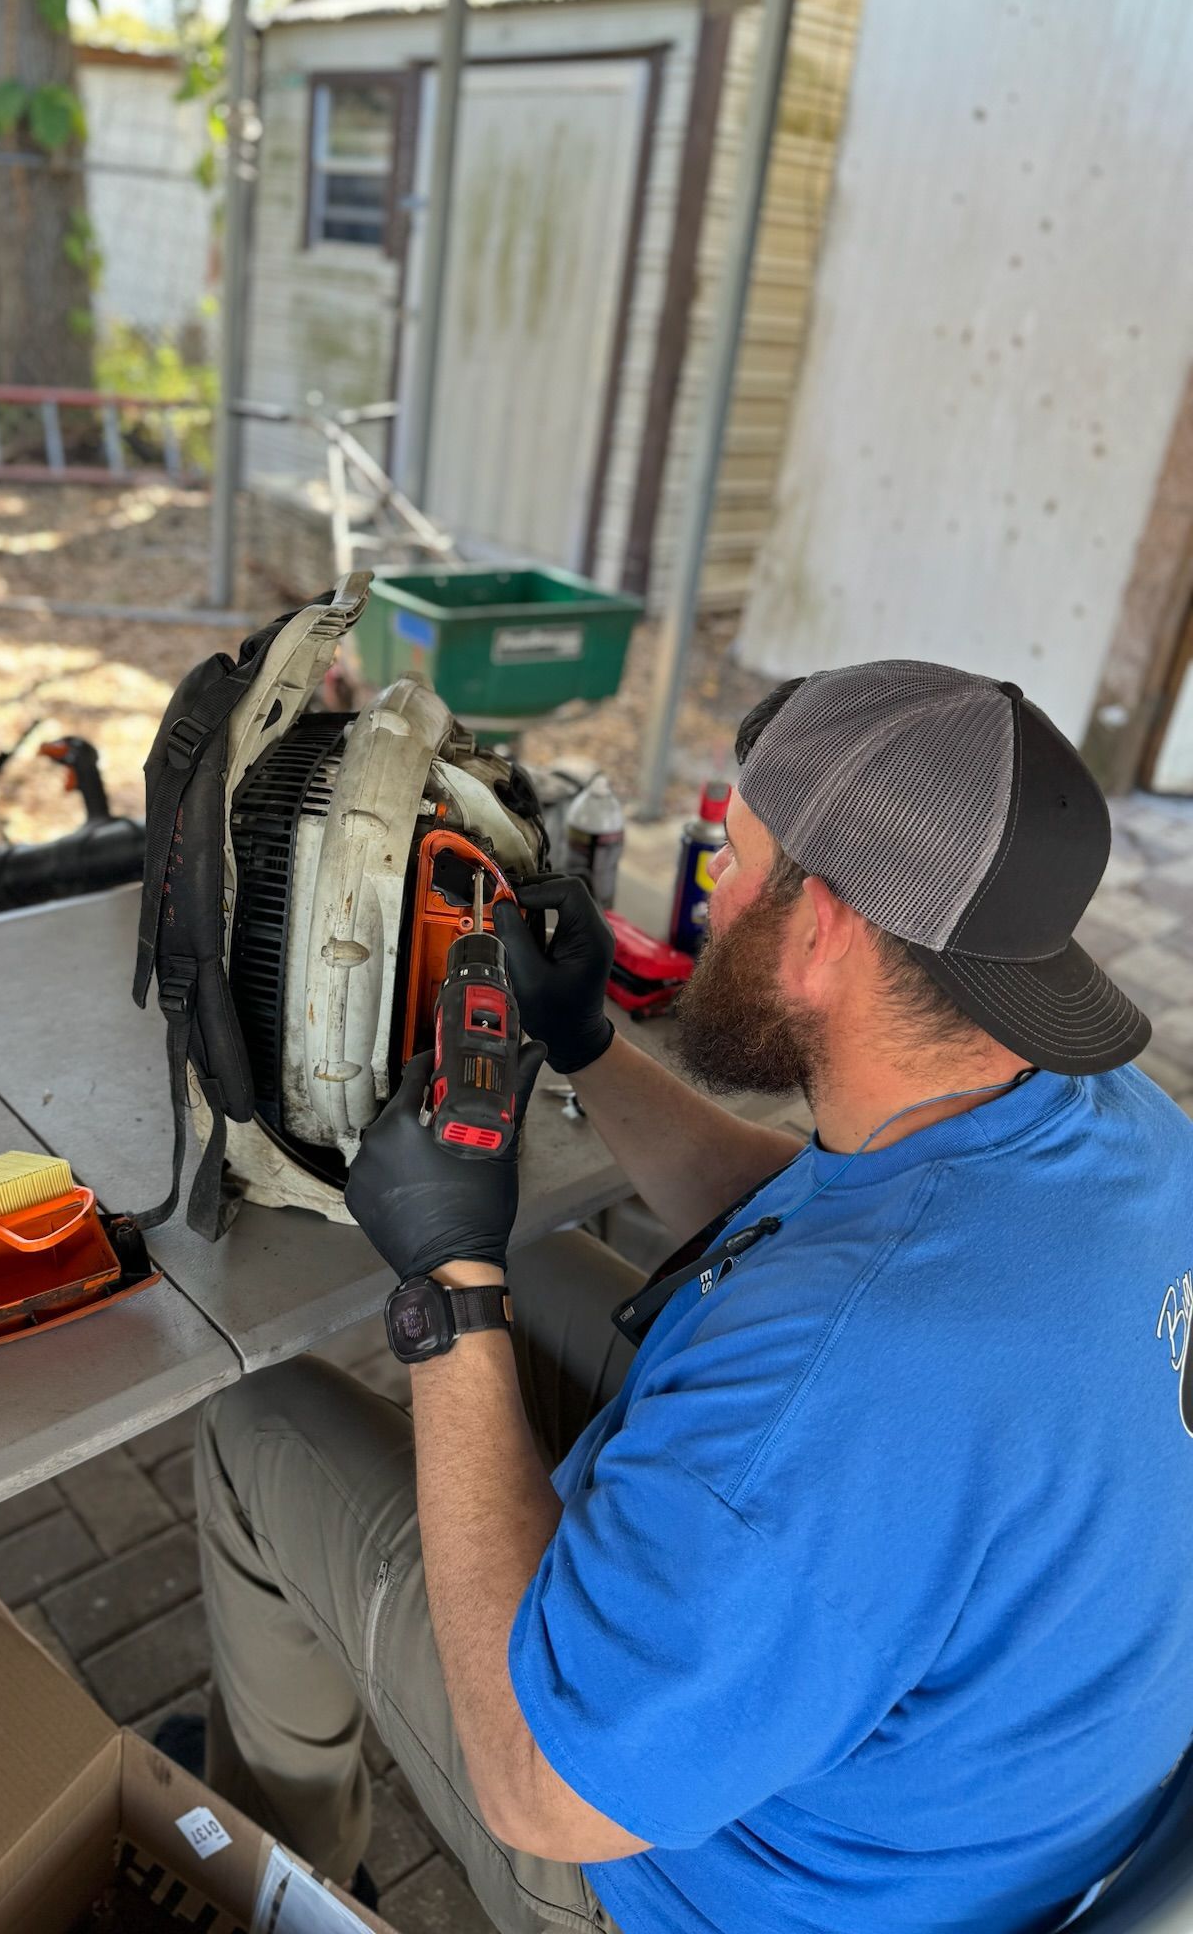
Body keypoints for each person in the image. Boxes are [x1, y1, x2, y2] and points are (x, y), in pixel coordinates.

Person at [187, 659, 1193, 1934]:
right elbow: (827, 1218)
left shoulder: (841, 1385)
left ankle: (267, 1857)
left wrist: (447, 1291)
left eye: (735, 855)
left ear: (822, 927)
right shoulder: (1113, 1123)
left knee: (256, 1427)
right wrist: (588, 1041)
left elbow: (540, 1788)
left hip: (716, 1885)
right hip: (985, 1790)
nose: (709, 885)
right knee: (541, 1260)